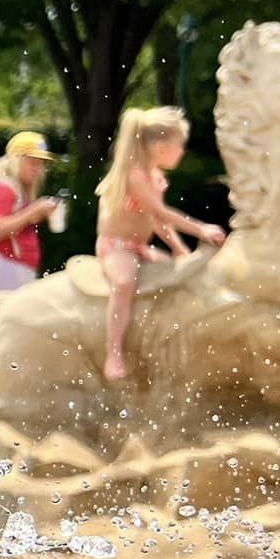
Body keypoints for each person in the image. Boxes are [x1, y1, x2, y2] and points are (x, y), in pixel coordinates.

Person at [94, 106, 227, 383]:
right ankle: (113, 353)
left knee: (174, 277)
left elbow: (157, 222)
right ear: (158, 145)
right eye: (179, 145)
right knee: (124, 282)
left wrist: (179, 249)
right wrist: (201, 229)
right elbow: (163, 213)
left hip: (140, 247)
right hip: (118, 246)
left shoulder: (153, 177)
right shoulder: (134, 176)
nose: (181, 152)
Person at [0, 130, 59, 293]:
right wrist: (34, 210)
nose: (38, 169)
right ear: (15, 161)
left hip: (10, 269)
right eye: (33, 162)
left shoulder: (18, 190)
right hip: (4, 268)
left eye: (41, 164)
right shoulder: (3, 188)